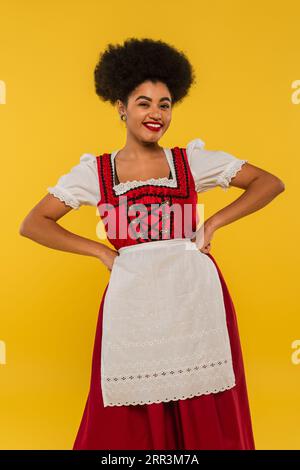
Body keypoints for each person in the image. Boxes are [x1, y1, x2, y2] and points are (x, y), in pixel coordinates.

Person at [19, 37, 285, 450]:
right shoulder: (98, 172)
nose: (156, 114)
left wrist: (212, 223)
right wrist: (101, 251)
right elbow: (34, 222)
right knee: (129, 399)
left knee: (203, 395)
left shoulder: (189, 161)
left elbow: (270, 183)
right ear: (121, 106)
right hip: (133, 295)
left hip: (193, 291)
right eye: (143, 103)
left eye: (165, 104)